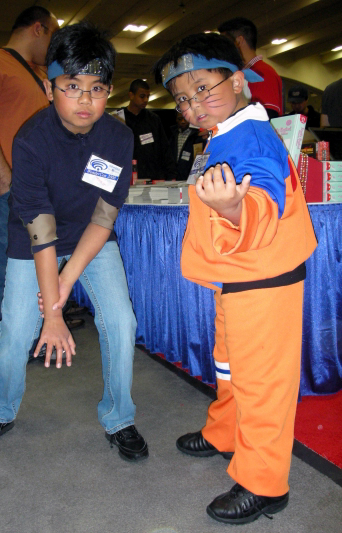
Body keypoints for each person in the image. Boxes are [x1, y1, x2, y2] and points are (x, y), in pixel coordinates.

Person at [153, 32, 317, 525]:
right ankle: (224, 432)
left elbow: (265, 198)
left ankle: (265, 484)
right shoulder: (224, 133)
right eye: (183, 99)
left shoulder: (252, 136)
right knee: (229, 370)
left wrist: (234, 209)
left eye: (203, 88)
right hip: (238, 278)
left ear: (239, 81)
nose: (193, 105)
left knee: (262, 385)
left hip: (264, 283)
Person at [0, 21, 149, 463]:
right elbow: (42, 234)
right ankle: (0, 407)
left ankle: (119, 416)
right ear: (50, 89)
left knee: (121, 321)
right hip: (35, 238)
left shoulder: (118, 137)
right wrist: (52, 314)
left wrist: (65, 284)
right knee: (17, 329)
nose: (85, 100)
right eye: (72, 86)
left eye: (96, 88)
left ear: (109, 91)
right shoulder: (31, 140)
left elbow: (103, 218)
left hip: (91, 235)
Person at [0, 6, 59, 388]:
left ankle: (19, 345)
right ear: (38, 28)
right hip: (4, 191)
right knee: (0, 274)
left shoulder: (40, 75)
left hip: (39, 194)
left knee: (32, 274)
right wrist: (7, 182)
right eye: (52, 35)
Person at [218, 17, 283, 118]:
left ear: (238, 41)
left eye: (225, 44)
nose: (221, 49)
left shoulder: (262, 73)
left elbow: (266, 118)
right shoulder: (242, 74)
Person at [116, 79, 178, 181]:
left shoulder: (153, 119)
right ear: (131, 95)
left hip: (152, 176)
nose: (145, 100)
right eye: (142, 96)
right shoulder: (118, 118)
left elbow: (164, 148)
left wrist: (171, 174)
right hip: (126, 176)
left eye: (147, 96)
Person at [169, 112, 204, 180]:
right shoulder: (172, 134)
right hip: (174, 176)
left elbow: (199, 158)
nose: (183, 122)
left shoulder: (198, 135)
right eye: (180, 119)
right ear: (176, 119)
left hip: (190, 175)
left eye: (185, 119)